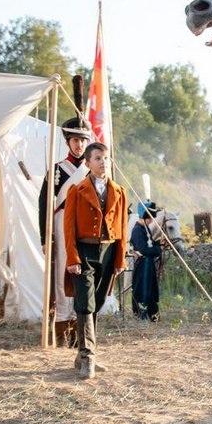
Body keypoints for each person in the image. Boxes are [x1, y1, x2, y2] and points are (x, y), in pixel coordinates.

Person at [63, 142, 128, 379]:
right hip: (84, 252)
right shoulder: (76, 190)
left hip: (109, 252)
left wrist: (120, 259)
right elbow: (68, 228)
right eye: (98, 158)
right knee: (84, 304)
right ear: (88, 163)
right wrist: (72, 258)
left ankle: (82, 356)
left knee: (97, 302)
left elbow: (122, 228)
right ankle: (88, 357)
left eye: (106, 158)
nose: (104, 162)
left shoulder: (119, 191)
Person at [37, 75, 90, 347]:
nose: (79, 145)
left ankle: (82, 329)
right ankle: (62, 329)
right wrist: (44, 236)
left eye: (83, 141)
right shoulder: (57, 169)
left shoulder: (92, 170)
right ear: (68, 142)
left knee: (83, 273)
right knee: (62, 274)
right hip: (61, 223)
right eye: (75, 140)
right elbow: (44, 203)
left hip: (85, 226)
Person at [131, 201, 165, 322]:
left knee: (151, 290)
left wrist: (159, 243)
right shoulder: (137, 230)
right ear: (144, 217)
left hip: (149, 264)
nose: (151, 220)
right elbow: (144, 249)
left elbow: (150, 244)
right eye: (150, 218)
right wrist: (158, 249)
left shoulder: (145, 229)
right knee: (143, 290)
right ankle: (142, 315)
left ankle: (153, 315)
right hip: (143, 265)